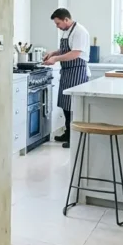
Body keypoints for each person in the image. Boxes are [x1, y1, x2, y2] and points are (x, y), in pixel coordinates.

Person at [42, 8, 90, 148]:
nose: (57, 26)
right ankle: (68, 133)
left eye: (58, 23)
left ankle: (74, 137)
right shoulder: (67, 31)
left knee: (73, 106)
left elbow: (75, 53)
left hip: (77, 71)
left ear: (66, 20)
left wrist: (56, 58)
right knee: (65, 105)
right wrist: (52, 53)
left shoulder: (79, 31)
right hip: (67, 71)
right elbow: (66, 49)